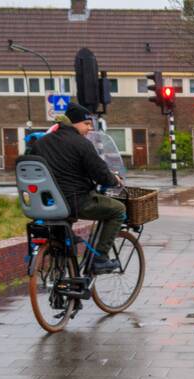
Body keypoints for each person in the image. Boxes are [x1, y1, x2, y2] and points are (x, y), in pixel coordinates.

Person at [29, 103, 125, 274]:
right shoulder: (82, 144)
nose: (89, 129)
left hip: (47, 203)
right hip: (75, 202)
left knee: (65, 225)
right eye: (86, 124)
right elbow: (101, 174)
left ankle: (67, 269)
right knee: (117, 210)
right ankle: (100, 258)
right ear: (74, 123)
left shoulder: (41, 143)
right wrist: (115, 180)